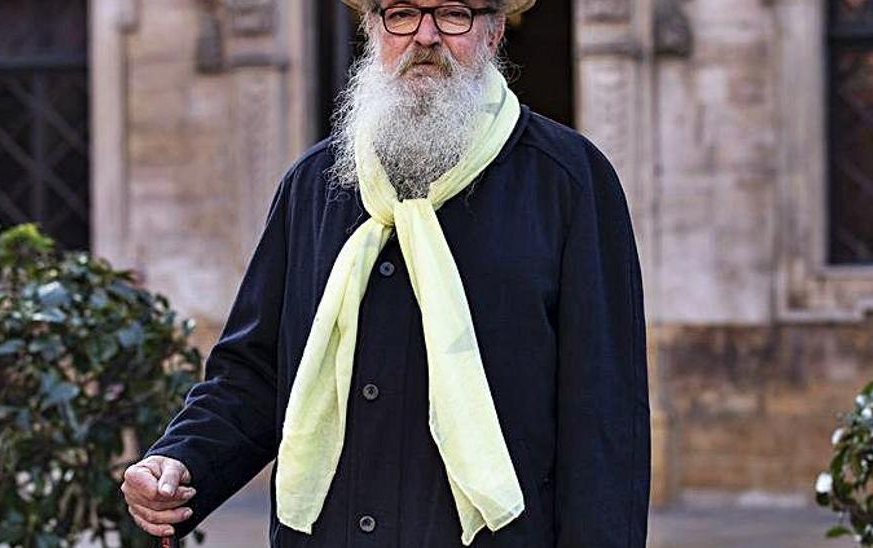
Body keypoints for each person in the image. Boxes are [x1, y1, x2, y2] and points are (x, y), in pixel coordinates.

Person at [119, 0, 651, 545]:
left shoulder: (568, 181)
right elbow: (254, 375)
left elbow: (605, 418)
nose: (424, 36)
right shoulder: (314, 185)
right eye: (401, 13)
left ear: (493, 32)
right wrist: (181, 462)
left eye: (453, 14)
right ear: (373, 29)